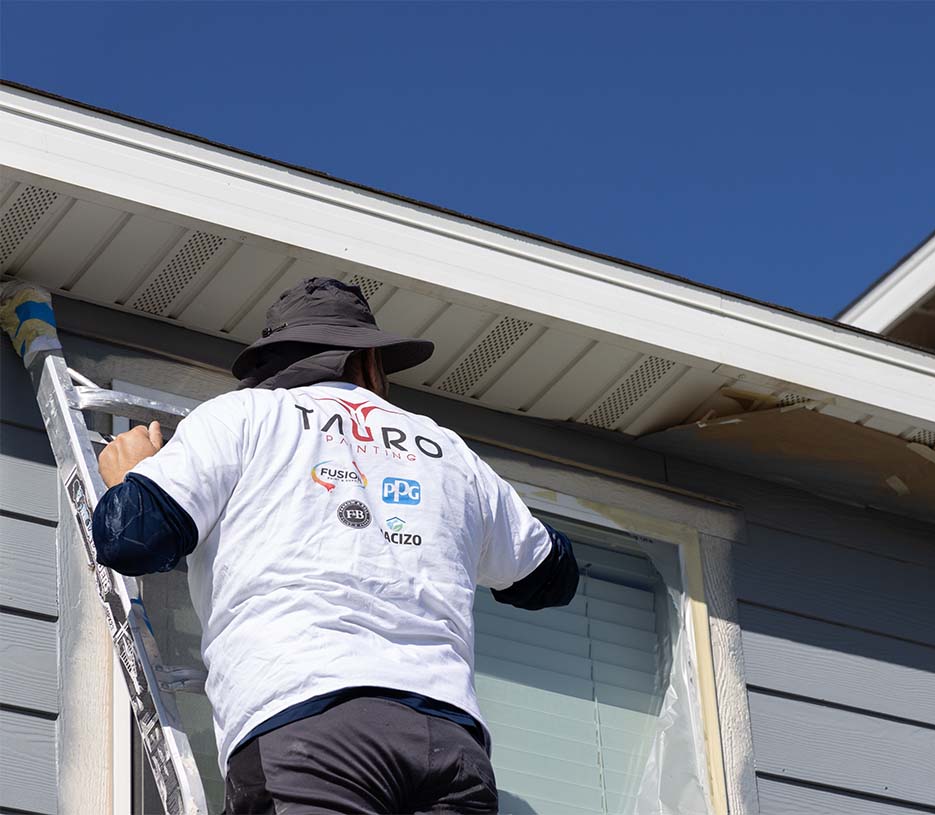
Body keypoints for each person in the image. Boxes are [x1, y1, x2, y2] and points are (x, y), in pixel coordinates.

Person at [93, 278, 579, 815]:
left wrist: (133, 476)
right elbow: (551, 576)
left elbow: (133, 539)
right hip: (449, 744)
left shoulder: (246, 418)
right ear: (367, 360)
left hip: (309, 723)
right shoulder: (448, 451)